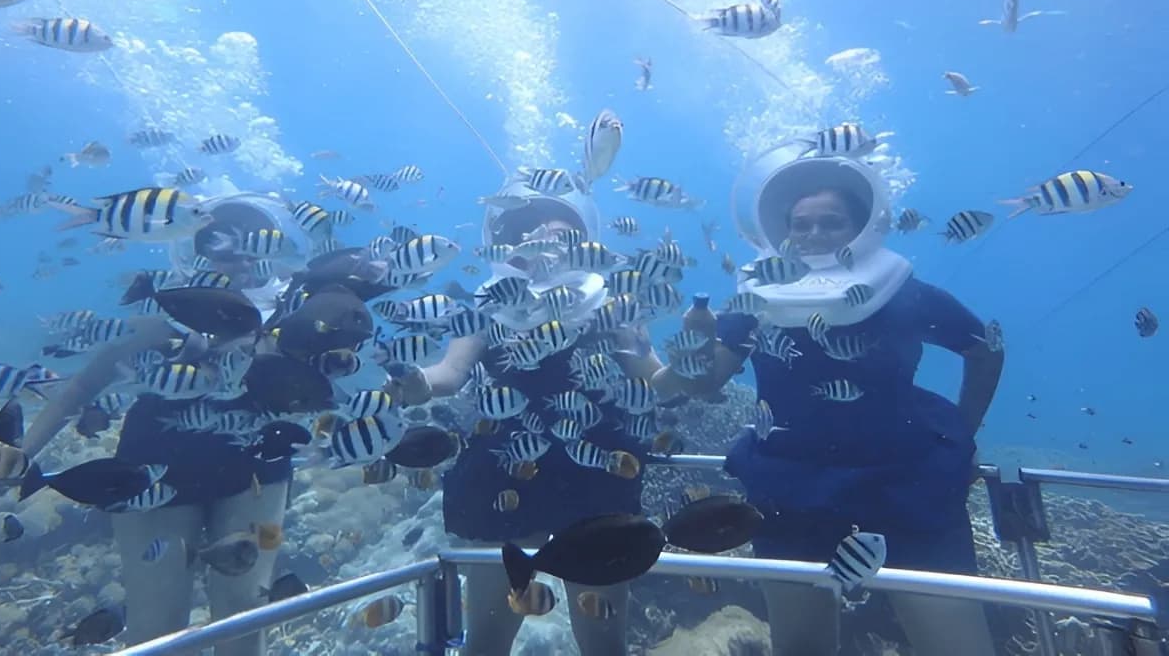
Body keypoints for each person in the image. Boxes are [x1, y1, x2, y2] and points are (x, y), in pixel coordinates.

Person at [653, 142, 1003, 656]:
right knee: (800, 645)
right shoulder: (758, 296)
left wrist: (964, 435)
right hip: (791, 482)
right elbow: (708, 383)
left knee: (954, 644)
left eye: (831, 223)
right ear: (782, 231)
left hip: (907, 480)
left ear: (862, 228)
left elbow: (984, 350)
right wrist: (697, 343)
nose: (813, 235)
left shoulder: (903, 292)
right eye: (801, 224)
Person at [387, 179, 653, 656]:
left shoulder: (609, 305)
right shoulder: (490, 306)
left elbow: (652, 377)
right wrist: (412, 384)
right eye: (531, 235)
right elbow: (449, 372)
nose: (545, 243)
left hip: (597, 471)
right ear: (512, 247)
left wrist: (700, 362)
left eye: (559, 234)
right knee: (489, 636)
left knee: (603, 638)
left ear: (581, 242)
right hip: (505, 470)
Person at [108, 192, 317, 656]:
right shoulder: (160, 314)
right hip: (150, 469)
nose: (240, 258)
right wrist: (16, 461)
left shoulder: (288, 320)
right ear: (195, 248)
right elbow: (83, 386)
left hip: (260, 475)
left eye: (253, 247)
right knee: (155, 626)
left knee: (248, 616)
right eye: (221, 246)